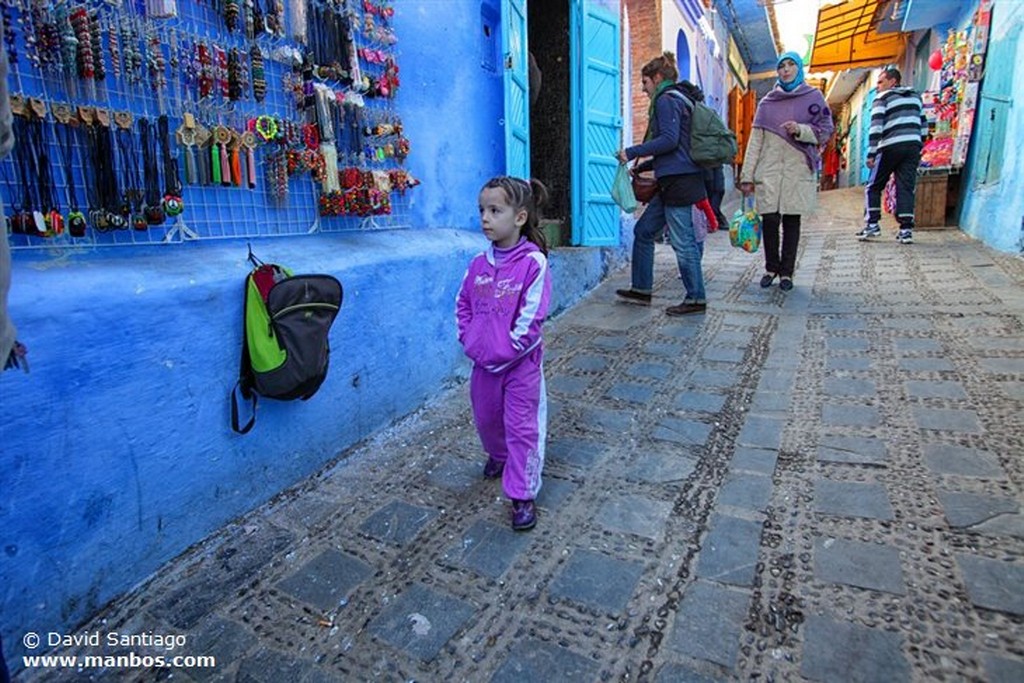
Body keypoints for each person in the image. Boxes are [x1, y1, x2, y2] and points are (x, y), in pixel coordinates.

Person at [456, 176, 552, 531]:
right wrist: (472, 341)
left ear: (520, 217)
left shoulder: (533, 264)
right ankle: (498, 456)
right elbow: (462, 305)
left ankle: (522, 493)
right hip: (483, 367)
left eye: (495, 210)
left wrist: (505, 349)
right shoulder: (478, 265)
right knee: (487, 419)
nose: (485, 218)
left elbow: (532, 318)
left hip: (520, 367)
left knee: (521, 427)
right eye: (482, 210)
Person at [615, 54, 709, 316]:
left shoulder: (667, 101)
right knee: (644, 231)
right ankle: (641, 289)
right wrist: (644, 166)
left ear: (657, 78)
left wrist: (631, 152)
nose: (642, 88)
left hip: (679, 183)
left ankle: (696, 298)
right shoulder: (679, 99)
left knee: (683, 242)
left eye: (645, 81)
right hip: (673, 180)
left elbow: (669, 140)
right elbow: (675, 147)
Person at [739, 51, 834, 292]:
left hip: (797, 170)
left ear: (799, 68)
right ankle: (771, 268)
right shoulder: (767, 103)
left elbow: (825, 130)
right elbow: (755, 142)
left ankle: (787, 272)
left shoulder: (813, 98)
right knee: (770, 220)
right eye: (782, 66)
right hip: (768, 170)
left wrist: (801, 130)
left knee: (792, 220)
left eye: (791, 65)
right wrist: (747, 176)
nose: (786, 70)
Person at [857, 66, 927, 244]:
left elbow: (876, 127)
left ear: (893, 81)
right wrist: (920, 145)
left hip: (889, 147)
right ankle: (906, 230)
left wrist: (871, 153)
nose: (878, 86)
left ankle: (872, 224)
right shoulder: (916, 97)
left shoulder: (882, 98)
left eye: (881, 82)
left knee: (873, 186)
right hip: (912, 146)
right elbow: (924, 123)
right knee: (905, 187)